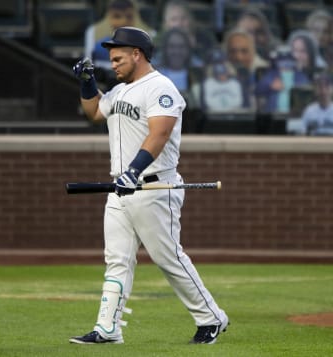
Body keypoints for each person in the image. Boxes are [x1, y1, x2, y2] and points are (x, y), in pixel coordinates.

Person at [70, 26, 229, 345]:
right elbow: (93, 112)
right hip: (121, 188)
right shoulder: (118, 90)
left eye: (118, 58)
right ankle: (107, 327)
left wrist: (133, 170)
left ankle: (211, 317)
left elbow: (159, 133)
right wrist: (87, 83)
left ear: (137, 54)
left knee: (168, 256)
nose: (112, 64)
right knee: (116, 259)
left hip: (153, 187)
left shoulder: (160, 88)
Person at [84, 0, 154, 71]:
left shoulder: (150, 34)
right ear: (110, 16)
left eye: (128, 16)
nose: (123, 21)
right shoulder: (93, 32)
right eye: (117, 16)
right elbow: (88, 63)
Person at [154, 0, 217, 65]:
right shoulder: (158, 40)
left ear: (191, 19)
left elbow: (213, 61)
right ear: (166, 23)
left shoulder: (205, 37)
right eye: (174, 19)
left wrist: (195, 49)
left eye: (183, 18)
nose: (179, 23)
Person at [256, 46, 310, 113]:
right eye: (282, 61)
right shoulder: (271, 74)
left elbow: (307, 90)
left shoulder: (300, 76)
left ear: (293, 61)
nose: (285, 64)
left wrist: (296, 88)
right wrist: (270, 85)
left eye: (288, 60)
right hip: (274, 114)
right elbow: (258, 90)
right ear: (277, 62)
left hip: (294, 114)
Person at [223, 28, 268, 109]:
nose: (239, 57)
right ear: (226, 53)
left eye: (244, 51)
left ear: (253, 52)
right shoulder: (216, 74)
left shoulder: (267, 73)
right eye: (233, 51)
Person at [192, 48, 243, 112]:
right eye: (214, 64)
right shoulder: (199, 87)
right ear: (207, 67)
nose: (218, 68)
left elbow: (246, 108)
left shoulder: (238, 83)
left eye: (221, 63)